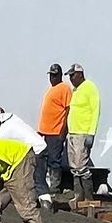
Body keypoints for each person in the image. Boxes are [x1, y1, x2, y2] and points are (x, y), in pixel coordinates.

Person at [36, 61, 73, 204]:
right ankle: (46, 184)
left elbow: (68, 110)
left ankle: (55, 187)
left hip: (55, 131)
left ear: (59, 76)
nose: (52, 78)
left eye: (55, 75)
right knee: (43, 159)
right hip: (45, 131)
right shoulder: (52, 88)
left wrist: (64, 131)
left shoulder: (64, 88)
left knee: (54, 160)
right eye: (51, 75)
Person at [65, 63, 99, 202]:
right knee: (74, 166)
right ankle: (78, 196)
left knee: (81, 166)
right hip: (72, 133)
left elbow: (95, 110)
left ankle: (89, 198)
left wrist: (91, 133)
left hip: (82, 133)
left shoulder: (89, 87)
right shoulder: (76, 90)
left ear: (80, 74)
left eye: (73, 75)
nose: (71, 78)